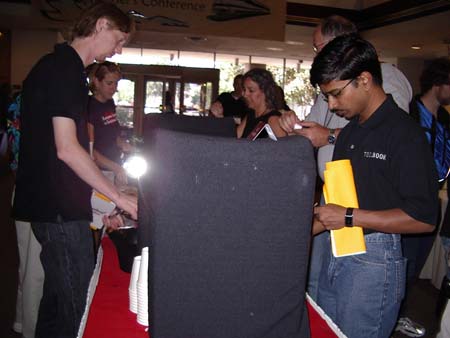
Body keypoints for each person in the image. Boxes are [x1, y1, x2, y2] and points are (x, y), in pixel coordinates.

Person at [285, 33, 438, 338]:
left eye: (336, 94)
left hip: (375, 260)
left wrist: (348, 216)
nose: (331, 104)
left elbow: (423, 217)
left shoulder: (404, 133)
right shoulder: (351, 131)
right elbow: (339, 202)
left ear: (365, 80)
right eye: (326, 95)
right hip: (339, 249)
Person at [12, 3, 137, 338]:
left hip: (51, 205)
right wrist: (119, 198)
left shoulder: (53, 66)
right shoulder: (66, 70)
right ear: (101, 25)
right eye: (119, 38)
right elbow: (67, 150)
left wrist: (106, 202)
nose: (119, 48)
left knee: (55, 302)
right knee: (75, 307)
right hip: (59, 211)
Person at [280, 14, 413, 302]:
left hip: (365, 204)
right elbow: (316, 129)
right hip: (336, 194)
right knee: (322, 289)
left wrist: (328, 135)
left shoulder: (386, 81)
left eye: (319, 48)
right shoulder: (332, 88)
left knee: (355, 296)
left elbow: (385, 133)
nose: (333, 104)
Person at [408, 57, 450, 321]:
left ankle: (401, 311)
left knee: (417, 262)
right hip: (410, 197)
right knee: (406, 260)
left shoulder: (445, 118)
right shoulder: (411, 113)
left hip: (433, 197)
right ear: (438, 84)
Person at [7, 94, 44, 338]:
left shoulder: (19, 101)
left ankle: (22, 322)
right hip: (37, 189)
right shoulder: (43, 100)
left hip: (22, 186)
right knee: (36, 270)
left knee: (28, 265)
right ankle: (30, 330)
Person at [87, 61, 130, 186]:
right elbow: (90, 150)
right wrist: (116, 168)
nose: (114, 88)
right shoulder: (89, 107)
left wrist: (123, 144)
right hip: (98, 171)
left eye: (116, 83)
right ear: (96, 81)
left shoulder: (109, 103)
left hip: (114, 166)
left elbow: (112, 135)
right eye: (109, 83)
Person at [237, 68, 287, 139]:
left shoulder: (273, 120)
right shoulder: (250, 115)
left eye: (251, 90)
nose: (245, 94)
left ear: (265, 92)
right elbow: (235, 139)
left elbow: (285, 147)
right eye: (245, 90)